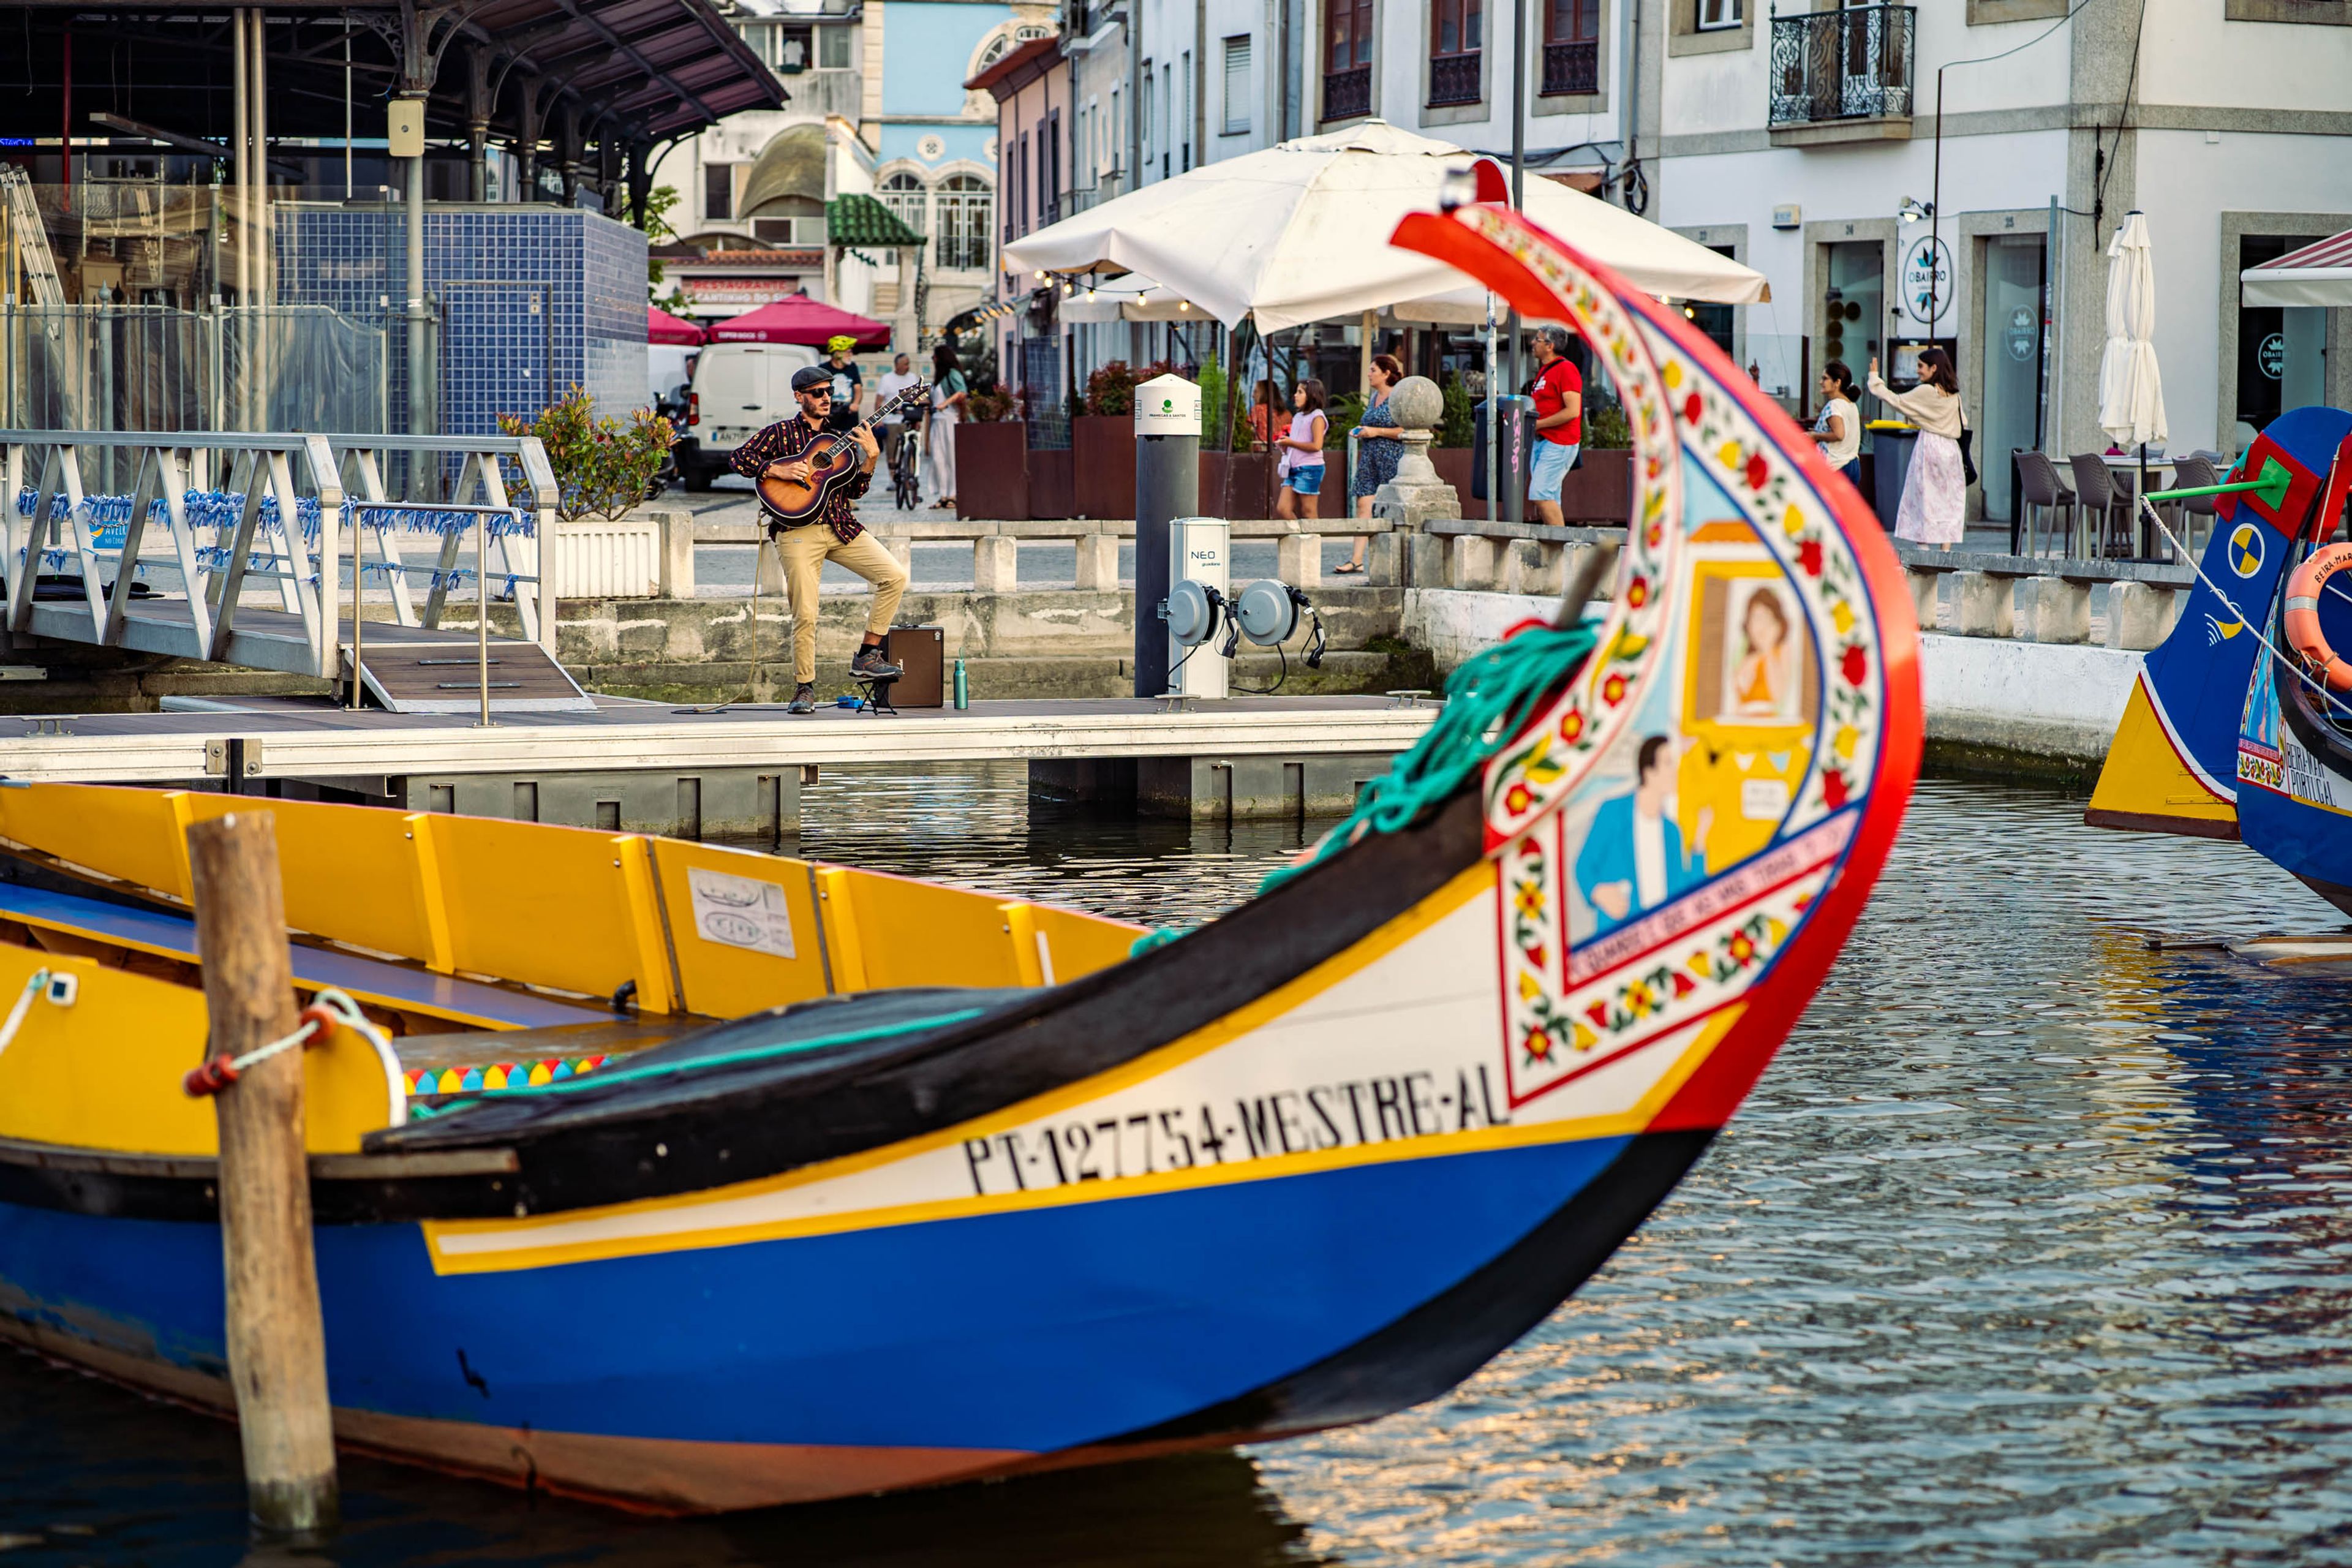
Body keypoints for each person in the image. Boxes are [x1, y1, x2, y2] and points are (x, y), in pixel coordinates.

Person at [731, 363, 908, 714]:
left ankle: (867, 655)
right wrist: (775, 468)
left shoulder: (842, 439)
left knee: (894, 576)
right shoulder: (780, 434)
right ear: (800, 397)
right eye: (818, 393)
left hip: (841, 526)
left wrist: (871, 459)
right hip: (797, 531)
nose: (827, 398)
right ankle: (804, 688)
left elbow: (856, 489)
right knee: (806, 613)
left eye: (830, 392)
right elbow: (739, 458)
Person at [1574, 735, 1713, 933]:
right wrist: (1599, 893)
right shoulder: (1613, 813)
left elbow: (1685, 890)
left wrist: (1700, 841)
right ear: (1649, 772)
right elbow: (1584, 866)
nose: (1675, 771)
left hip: (1662, 941)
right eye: (1668, 764)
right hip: (1619, 939)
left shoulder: (1672, 832)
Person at [1868, 348, 1967, 549]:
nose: (1918, 371)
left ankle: (1923, 549)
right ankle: (1945, 551)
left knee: (1923, 496)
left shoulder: (1927, 391)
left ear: (1934, 368)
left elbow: (1896, 401)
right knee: (1947, 499)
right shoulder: (1954, 395)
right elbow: (1963, 422)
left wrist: (1875, 379)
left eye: (1921, 366)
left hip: (1930, 445)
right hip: (1951, 449)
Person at [1343, 353, 1406, 575]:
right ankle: (1356, 560)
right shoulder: (1373, 398)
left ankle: (1396, 562)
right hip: (1370, 459)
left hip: (1392, 459)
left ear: (1386, 373)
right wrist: (1361, 430)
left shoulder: (1398, 398)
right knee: (1363, 506)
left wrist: (1376, 431)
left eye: (1373, 370)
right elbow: (1371, 423)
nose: (1369, 374)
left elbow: (1405, 431)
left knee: (1394, 511)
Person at [1527, 326, 1583, 529]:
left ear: (1550, 346)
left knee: (1540, 493)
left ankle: (1562, 544)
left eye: (1538, 340)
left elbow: (1573, 411)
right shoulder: (1545, 371)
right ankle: (1557, 551)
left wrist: (1538, 424)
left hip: (1559, 442)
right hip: (1542, 441)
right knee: (1549, 496)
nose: (1533, 343)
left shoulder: (1566, 369)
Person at [1274, 379, 1329, 522]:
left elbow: (1317, 446)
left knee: (1309, 511)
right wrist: (1285, 445)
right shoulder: (1298, 417)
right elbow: (1298, 442)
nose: (1295, 396)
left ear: (1312, 395)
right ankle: (1301, 540)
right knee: (1283, 509)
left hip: (1310, 468)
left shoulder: (1317, 416)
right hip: (1293, 467)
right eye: (1296, 392)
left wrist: (1291, 442)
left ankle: (1313, 543)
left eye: (1300, 392)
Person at [1809, 360, 1862, 489]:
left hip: (1836, 466)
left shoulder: (1834, 405)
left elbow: (1839, 434)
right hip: (1853, 465)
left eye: (1825, 379)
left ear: (1837, 383)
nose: (1821, 382)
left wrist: (1815, 436)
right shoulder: (1851, 405)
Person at [925, 344, 967, 509]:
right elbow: (933, 400)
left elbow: (962, 392)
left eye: (934, 357)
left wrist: (945, 404)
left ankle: (953, 494)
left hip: (951, 419)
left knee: (951, 457)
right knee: (938, 458)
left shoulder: (952, 373)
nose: (933, 360)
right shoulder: (938, 379)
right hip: (938, 421)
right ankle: (943, 494)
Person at [875, 350, 922, 493]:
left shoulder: (913, 378)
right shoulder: (887, 379)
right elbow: (879, 401)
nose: (908, 366)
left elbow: (918, 398)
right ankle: (893, 479)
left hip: (909, 418)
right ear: (897, 365)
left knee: (912, 448)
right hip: (891, 420)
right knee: (892, 451)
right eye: (905, 364)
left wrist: (919, 417)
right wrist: (879, 420)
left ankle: (910, 477)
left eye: (908, 364)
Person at [823, 335, 865, 417]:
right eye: (848, 352)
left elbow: (858, 388)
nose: (851, 354)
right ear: (838, 353)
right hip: (830, 415)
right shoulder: (824, 368)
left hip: (849, 414)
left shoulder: (852, 367)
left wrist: (855, 404)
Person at [1248, 380, 1276, 451]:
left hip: (1261, 454)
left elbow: (1247, 432)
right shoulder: (1287, 414)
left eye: (1256, 392)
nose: (1253, 396)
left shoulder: (1257, 410)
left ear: (1264, 393)